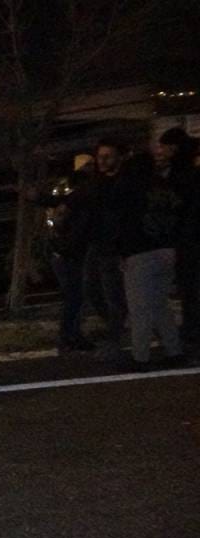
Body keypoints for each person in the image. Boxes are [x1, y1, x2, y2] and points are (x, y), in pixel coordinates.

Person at [117, 129, 189, 370]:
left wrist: (122, 252)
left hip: (140, 252)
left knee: (140, 308)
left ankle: (141, 357)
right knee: (159, 304)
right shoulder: (166, 187)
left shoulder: (131, 189)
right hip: (167, 250)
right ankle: (174, 350)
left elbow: (124, 223)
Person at [40, 156, 96, 352]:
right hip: (67, 251)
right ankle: (69, 336)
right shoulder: (74, 194)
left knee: (75, 296)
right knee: (74, 296)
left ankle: (72, 335)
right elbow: (59, 219)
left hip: (67, 250)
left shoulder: (71, 193)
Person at [83, 140, 132, 354]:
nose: (102, 161)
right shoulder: (98, 181)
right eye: (100, 157)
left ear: (119, 157)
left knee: (113, 293)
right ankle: (117, 325)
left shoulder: (125, 182)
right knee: (91, 288)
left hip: (113, 245)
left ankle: (116, 336)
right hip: (97, 243)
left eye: (107, 156)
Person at [155, 128, 200, 346]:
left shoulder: (178, 174)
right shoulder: (191, 170)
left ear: (173, 148)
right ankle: (192, 327)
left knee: (190, 287)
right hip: (190, 237)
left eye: (163, 147)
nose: (160, 152)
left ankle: (192, 329)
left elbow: (175, 207)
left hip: (186, 239)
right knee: (191, 287)